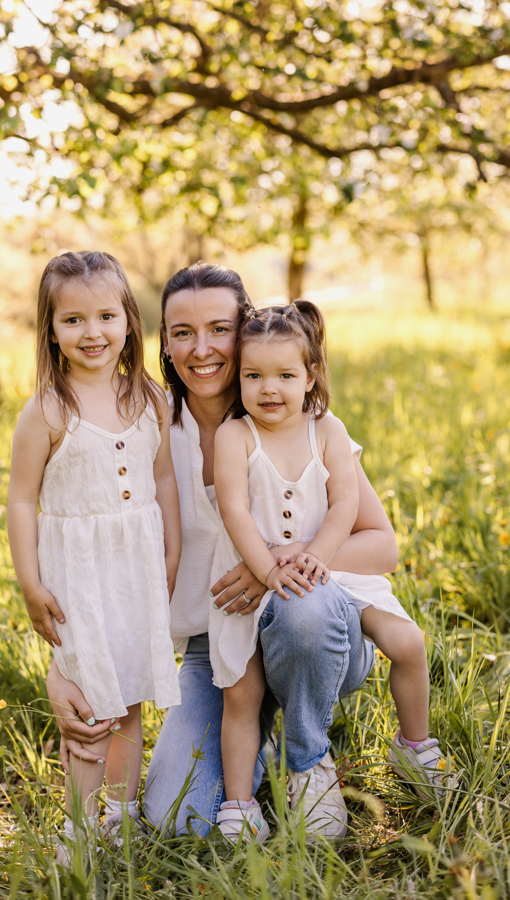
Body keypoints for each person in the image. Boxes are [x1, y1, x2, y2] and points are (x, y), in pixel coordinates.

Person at [45, 263, 400, 841]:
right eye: (182, 332)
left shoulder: (296, 415)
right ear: (163, 340)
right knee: (177, 816)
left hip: (315, 628)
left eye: (220, 328)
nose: (202, 349)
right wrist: (64, 666)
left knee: (301, 609)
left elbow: (382, 546)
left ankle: (308, 763)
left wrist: (276, 564)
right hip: (217, 651)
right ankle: (255, 749)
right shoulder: (143, 427)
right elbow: (92, 549)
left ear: (249, 329)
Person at [210, 302, 443, 842]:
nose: (270, 389)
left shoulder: (328, 429)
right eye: (254, 376)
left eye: (286, 375)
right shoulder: (236, 436)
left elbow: (344, 507)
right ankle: (241, 805)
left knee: (408, 642)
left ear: (311, 375)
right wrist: (269, 570)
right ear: (238, 377)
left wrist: (315, 554)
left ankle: (415, 748)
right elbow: (235, 511)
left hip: (330, 573)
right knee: (240, 694)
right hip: (265, 583)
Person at [7, 251, 181, 854]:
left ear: (130, 320)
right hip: (77, 578)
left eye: (106, 316)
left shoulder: (150, 400)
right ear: (50, 330)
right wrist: (30, 582)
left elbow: (163, 484)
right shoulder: (48, 410)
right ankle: (78, 831)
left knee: (129, 695)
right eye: (73, 320)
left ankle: (122, 813)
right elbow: (22, 501)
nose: (93, 333)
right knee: (88, 698)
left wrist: (171, 554)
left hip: (136, 571)